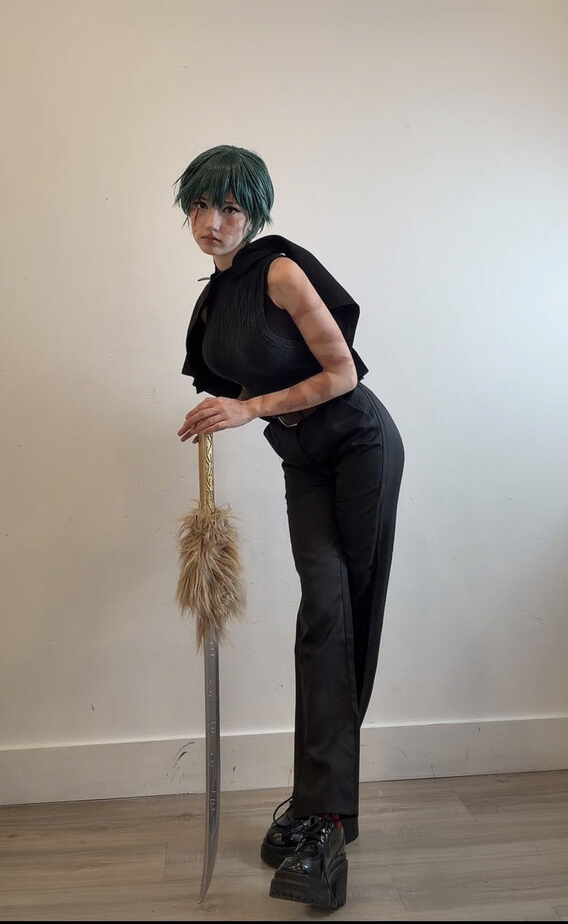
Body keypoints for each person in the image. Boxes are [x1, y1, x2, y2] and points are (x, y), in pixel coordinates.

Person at [175, 144, 404, 910]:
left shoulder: (278, 270)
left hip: (358, 445)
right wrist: (221, 411)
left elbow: (343, 375)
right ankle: (318, 807)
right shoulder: (216, 300)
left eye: (229, 207)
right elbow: (248, 382)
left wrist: (248, 409)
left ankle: (327, 818)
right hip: (303, 457)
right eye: (200, 206)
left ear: (254, 212)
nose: (212, 221)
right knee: (319, 618)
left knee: (340, 618)